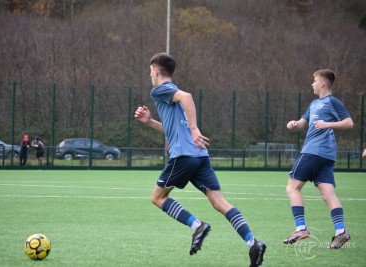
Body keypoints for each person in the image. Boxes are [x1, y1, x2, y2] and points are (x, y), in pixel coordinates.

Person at [134, 52, 266, 266]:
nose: (150, 75)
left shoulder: (160, 90)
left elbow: (187, 97)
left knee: (157, 198)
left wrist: (195, 129)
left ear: (156, 71)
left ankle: (197, 226)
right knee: (220, 203)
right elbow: (173, 129)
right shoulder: (171, 96)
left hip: (184, 156)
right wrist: (150, 122)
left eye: (150, 71)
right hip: (200, 155)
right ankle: (252, 242)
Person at [285, 69, 354, 249]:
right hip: (326, 155)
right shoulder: (314, 103)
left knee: (292, 188)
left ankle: (301, 228)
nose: (312, 84)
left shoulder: (332, 101)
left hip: (313, 152)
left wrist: (327, 124)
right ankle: (341, 232)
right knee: (327, 193)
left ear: (323, 83)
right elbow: (303, 123)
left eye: (314, 81)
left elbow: (349, 123)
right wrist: (295, 124)